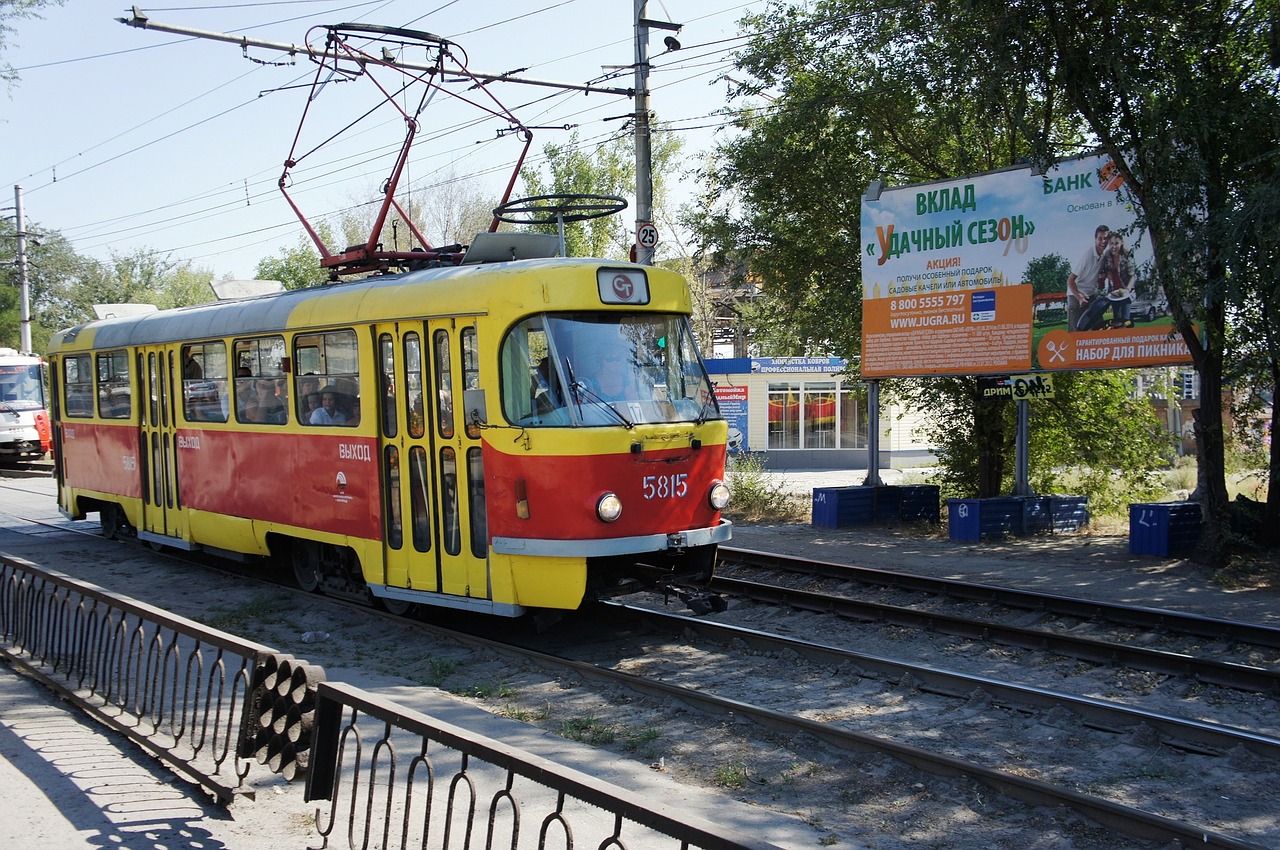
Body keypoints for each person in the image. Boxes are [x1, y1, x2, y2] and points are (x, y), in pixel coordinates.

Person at [1066, 224, 1110, 333]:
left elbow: (1100, 286)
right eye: (1100, 238)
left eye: (1106, 238)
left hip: (1090, 294)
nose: (1103, 241)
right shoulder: (1087, 254)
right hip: (1075, 294)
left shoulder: (1104, 256)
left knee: (1098, 326)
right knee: (1076, 331)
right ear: (1095, 239)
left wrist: (1102, 280)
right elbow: (1070, 281)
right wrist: (1080, 297)